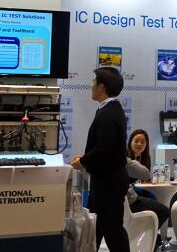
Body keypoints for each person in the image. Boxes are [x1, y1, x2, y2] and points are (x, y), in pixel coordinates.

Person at [71, 67, 130, 252]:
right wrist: (85, 158)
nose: (91, 86)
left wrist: (83, 162)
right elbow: (104, 147)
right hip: (106, 180)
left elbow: (104, 150)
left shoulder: (108, 113)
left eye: (93, 82)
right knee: (96, 227)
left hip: (109, 182)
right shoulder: (110, 110)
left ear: (101, 87)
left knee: (112, 230)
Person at [126, 129, 169, 249]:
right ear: (130, 142)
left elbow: (145, 177)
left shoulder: (144, 158)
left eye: (142, 142)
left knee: (152, 197)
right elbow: (143, 175)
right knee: (157, 204)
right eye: (136, 141)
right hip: (127, 192)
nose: (139, 144)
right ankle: (151, 236)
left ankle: (151, 235)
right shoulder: (127, 158)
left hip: (133, 189)